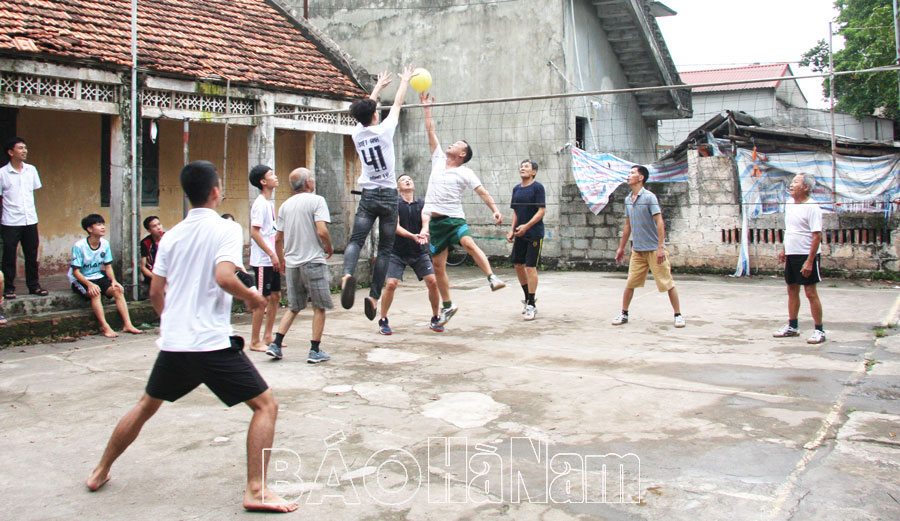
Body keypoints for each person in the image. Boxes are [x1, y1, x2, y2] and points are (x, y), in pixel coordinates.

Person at [85, 161, 297, 513]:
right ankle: (256, 490)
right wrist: (254, 297)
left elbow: (156, 292)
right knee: (266, 406)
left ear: (187, 194)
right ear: (216, 192)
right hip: (211, 344)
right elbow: (224, 277)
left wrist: (174, 322)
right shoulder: (226, 229)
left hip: (175, 343)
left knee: (145, 406)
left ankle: (99, 471)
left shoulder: (172, 236)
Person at [419, 92, 506, 328]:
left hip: (455, 220)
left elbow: (483, 191)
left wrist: (495, 210)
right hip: (436, 224)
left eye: (457, 144)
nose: (451, 143)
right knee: (438, 268)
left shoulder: (465, 172)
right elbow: (430, 131)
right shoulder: (437, 159)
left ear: (462, 154)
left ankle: (492, 277)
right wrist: (426, 108)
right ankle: (447, 307)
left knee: (468, 243)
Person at [341, 65, 416, 321]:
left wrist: (375, 90)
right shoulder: (385, 130)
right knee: (385, 249)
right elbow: (397, 103)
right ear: (375, 115)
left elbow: (364, 111)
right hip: (388, 196)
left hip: (369, 195)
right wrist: (404, 80)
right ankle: (373, 296)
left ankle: (347, 275)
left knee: (355, 240)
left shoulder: (357, 134)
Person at [265, 168, 334, 363]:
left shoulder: (285, 206)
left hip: (293, 262)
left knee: (294, 306)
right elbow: (322, 231)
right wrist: (329, 247)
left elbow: (278, 238)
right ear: (308, 183)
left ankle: (276, 344)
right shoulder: (317, 201)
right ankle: (314, 349)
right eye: (311, 178)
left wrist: (281, 260)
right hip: (313, 260)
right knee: (319, 307)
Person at [611, 165, 684, 328]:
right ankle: (624, 313)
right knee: (630, 283)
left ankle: (678, 315)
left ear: (641, 177)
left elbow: (659, 222)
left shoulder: (649, 197)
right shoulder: (628, 199)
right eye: (629, 173)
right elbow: (628, 226)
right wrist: (621, 247)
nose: (628, 176)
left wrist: (660, 247)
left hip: (653, 250)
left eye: (632, 173)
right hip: (637, 250)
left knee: (667, 283)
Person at [377, 173, 442, 335]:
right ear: (398, 187)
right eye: (403, 180)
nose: (407, 180)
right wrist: (413, 236)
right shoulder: (394, 203)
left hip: (418, 251)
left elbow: (426, 222)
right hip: (397, 251)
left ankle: (435, 317)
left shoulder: (421, 203)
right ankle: (383, 319)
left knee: (433, 282)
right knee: (391, 284)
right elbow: (395, 227)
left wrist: (423, 233)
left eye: (410, 179)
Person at [68, 214, 142, 338]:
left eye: (103, 224)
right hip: (81, 279)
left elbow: (108, 266)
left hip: (97, 275)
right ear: (89, 229)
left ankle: (128, 324)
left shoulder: (105, 244)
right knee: (95, 292)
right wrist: (89, 284)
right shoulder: (79, 246)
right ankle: (105, 326)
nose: (103, 227)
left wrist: (113, 280)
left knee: (118, 290)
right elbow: (76, 272)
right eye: (98, 225)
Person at [773, 173, 826, 344]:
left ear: (805, 187)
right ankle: (793, 326)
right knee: (792, 289)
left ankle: (819, 330)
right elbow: (790, 230)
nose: (791, 185)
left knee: (810, 292)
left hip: (806, 254)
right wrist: (784, 249)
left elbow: (817, 236)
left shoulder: (812, 207)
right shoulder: (789, 204)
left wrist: (810, 261)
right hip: (792, 253)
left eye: (796, 182)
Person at [0, 137, 47, 298]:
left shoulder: (31, 170)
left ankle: (34, 286)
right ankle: (8, 288)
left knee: (32, 256)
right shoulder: (2, 173)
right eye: (20, 148)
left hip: (30, 220)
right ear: (11, 152)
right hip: (10, 220)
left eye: (25, 148)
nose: (24, 151)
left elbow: (33, 191)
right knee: (8, 256)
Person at [248, 165, 282, 352]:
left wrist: (278, 255)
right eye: (271, 175)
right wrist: (270, 253)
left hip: (272, 258)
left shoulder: (268, 203)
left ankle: (268, 336)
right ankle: (255, 340)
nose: (275, 177)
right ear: (263, 182)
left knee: (276, 296)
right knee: (262, 299)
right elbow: (254, 233)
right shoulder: (260, 204)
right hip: (263, 260)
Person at [507, 159, 546, 321]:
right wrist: (512, 229)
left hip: (534, 233)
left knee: (530, 267)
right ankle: (528, 298)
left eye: (526, 167)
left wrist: (527, 226)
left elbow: (541, 211)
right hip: (520, 234)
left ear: (534, 172)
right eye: (521, 166)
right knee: (518, 264)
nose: (522, 168)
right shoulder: (516, 189)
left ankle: (531, 304)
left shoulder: (538, 187)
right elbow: (515, 211)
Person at [139, 215, 164, 284]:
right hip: (153, 275)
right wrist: (156, 278)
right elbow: (143, 267)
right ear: (149, 230)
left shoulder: (169, 238)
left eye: (159, 224)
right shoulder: (145, 243)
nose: (158, 228)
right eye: (154, 226)